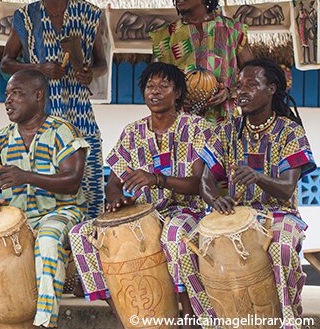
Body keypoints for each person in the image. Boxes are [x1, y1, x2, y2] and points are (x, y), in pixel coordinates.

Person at [68, 62, 217, 329]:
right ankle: (123, 315)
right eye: (150, 86)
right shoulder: (132, 132)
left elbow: (199, 184)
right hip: (142, 213)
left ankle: (189, 316)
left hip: (184, 213)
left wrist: (157, 179)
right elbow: (112, 182)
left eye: (164, 86)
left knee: (173, 235)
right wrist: (116, 199)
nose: (155, 92)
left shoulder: (197, 128)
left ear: (178, 93)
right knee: (80, 235)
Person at [0, 69, 87, 328]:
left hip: (60, 212)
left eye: (16, 93)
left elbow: (72, 182)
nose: (8, 101)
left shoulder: (62, 132)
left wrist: (26, 176)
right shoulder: (1, 139)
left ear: (39, 96)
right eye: (6, 94)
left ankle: (44, 322)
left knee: (48, 241)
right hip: (16, 218)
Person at [198, 58, 315, 329]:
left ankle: (289, 322)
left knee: (282, 250)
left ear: (272, 88)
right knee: (188, 248)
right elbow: (205, 180)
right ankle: (212, 322)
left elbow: (286, 190)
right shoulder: (226, 131)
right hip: (236, 215)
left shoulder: (291, 133)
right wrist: (215, 199)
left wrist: (258, 177)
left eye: (252, 85)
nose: (242, 92)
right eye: (239, 86)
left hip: (279, 215)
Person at [1, 0, 105, 218]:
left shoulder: (88, 13)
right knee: (46, 179)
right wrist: (39, 67)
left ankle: (90, 239)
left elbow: (102, 63)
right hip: (41, 112)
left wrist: (89, 73)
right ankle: (51, 235)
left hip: (78, 110)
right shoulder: (26, 17)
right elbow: (6, 63)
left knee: (89, 176)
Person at [150, 0, 253, 124]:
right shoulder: (165, 37)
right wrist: (174, 96)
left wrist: (230, 91)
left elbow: (252, 78)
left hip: (225, 129)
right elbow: (152, 85)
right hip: (180, 130)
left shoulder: (233, 31)